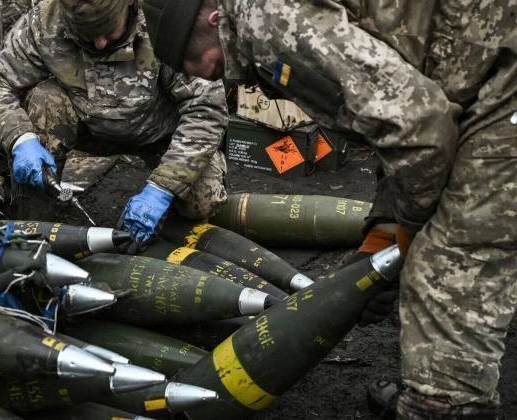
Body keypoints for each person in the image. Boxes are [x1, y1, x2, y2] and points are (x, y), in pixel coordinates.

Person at [141, 0, 516, 418]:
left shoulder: (266, 22)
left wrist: (411, 234)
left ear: (213, 21)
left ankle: (444, 405)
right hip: (479, 71)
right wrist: (385, 232)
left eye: (187, 59)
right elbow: (392, 120)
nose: (193, 74)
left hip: (501, 85)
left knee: (447, 262)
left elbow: (419, 130)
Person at [0, 0, 229, 248]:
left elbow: (206, 109)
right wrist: (21, 139)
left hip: (162, 135)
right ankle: (32, 230)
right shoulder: (45, 21)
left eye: (108, 30)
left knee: (202, 199)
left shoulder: (163, 20)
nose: (100, 43)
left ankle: (163, 235)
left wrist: (162, 189)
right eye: (86, 34)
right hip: (88, 127)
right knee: (45, 99)